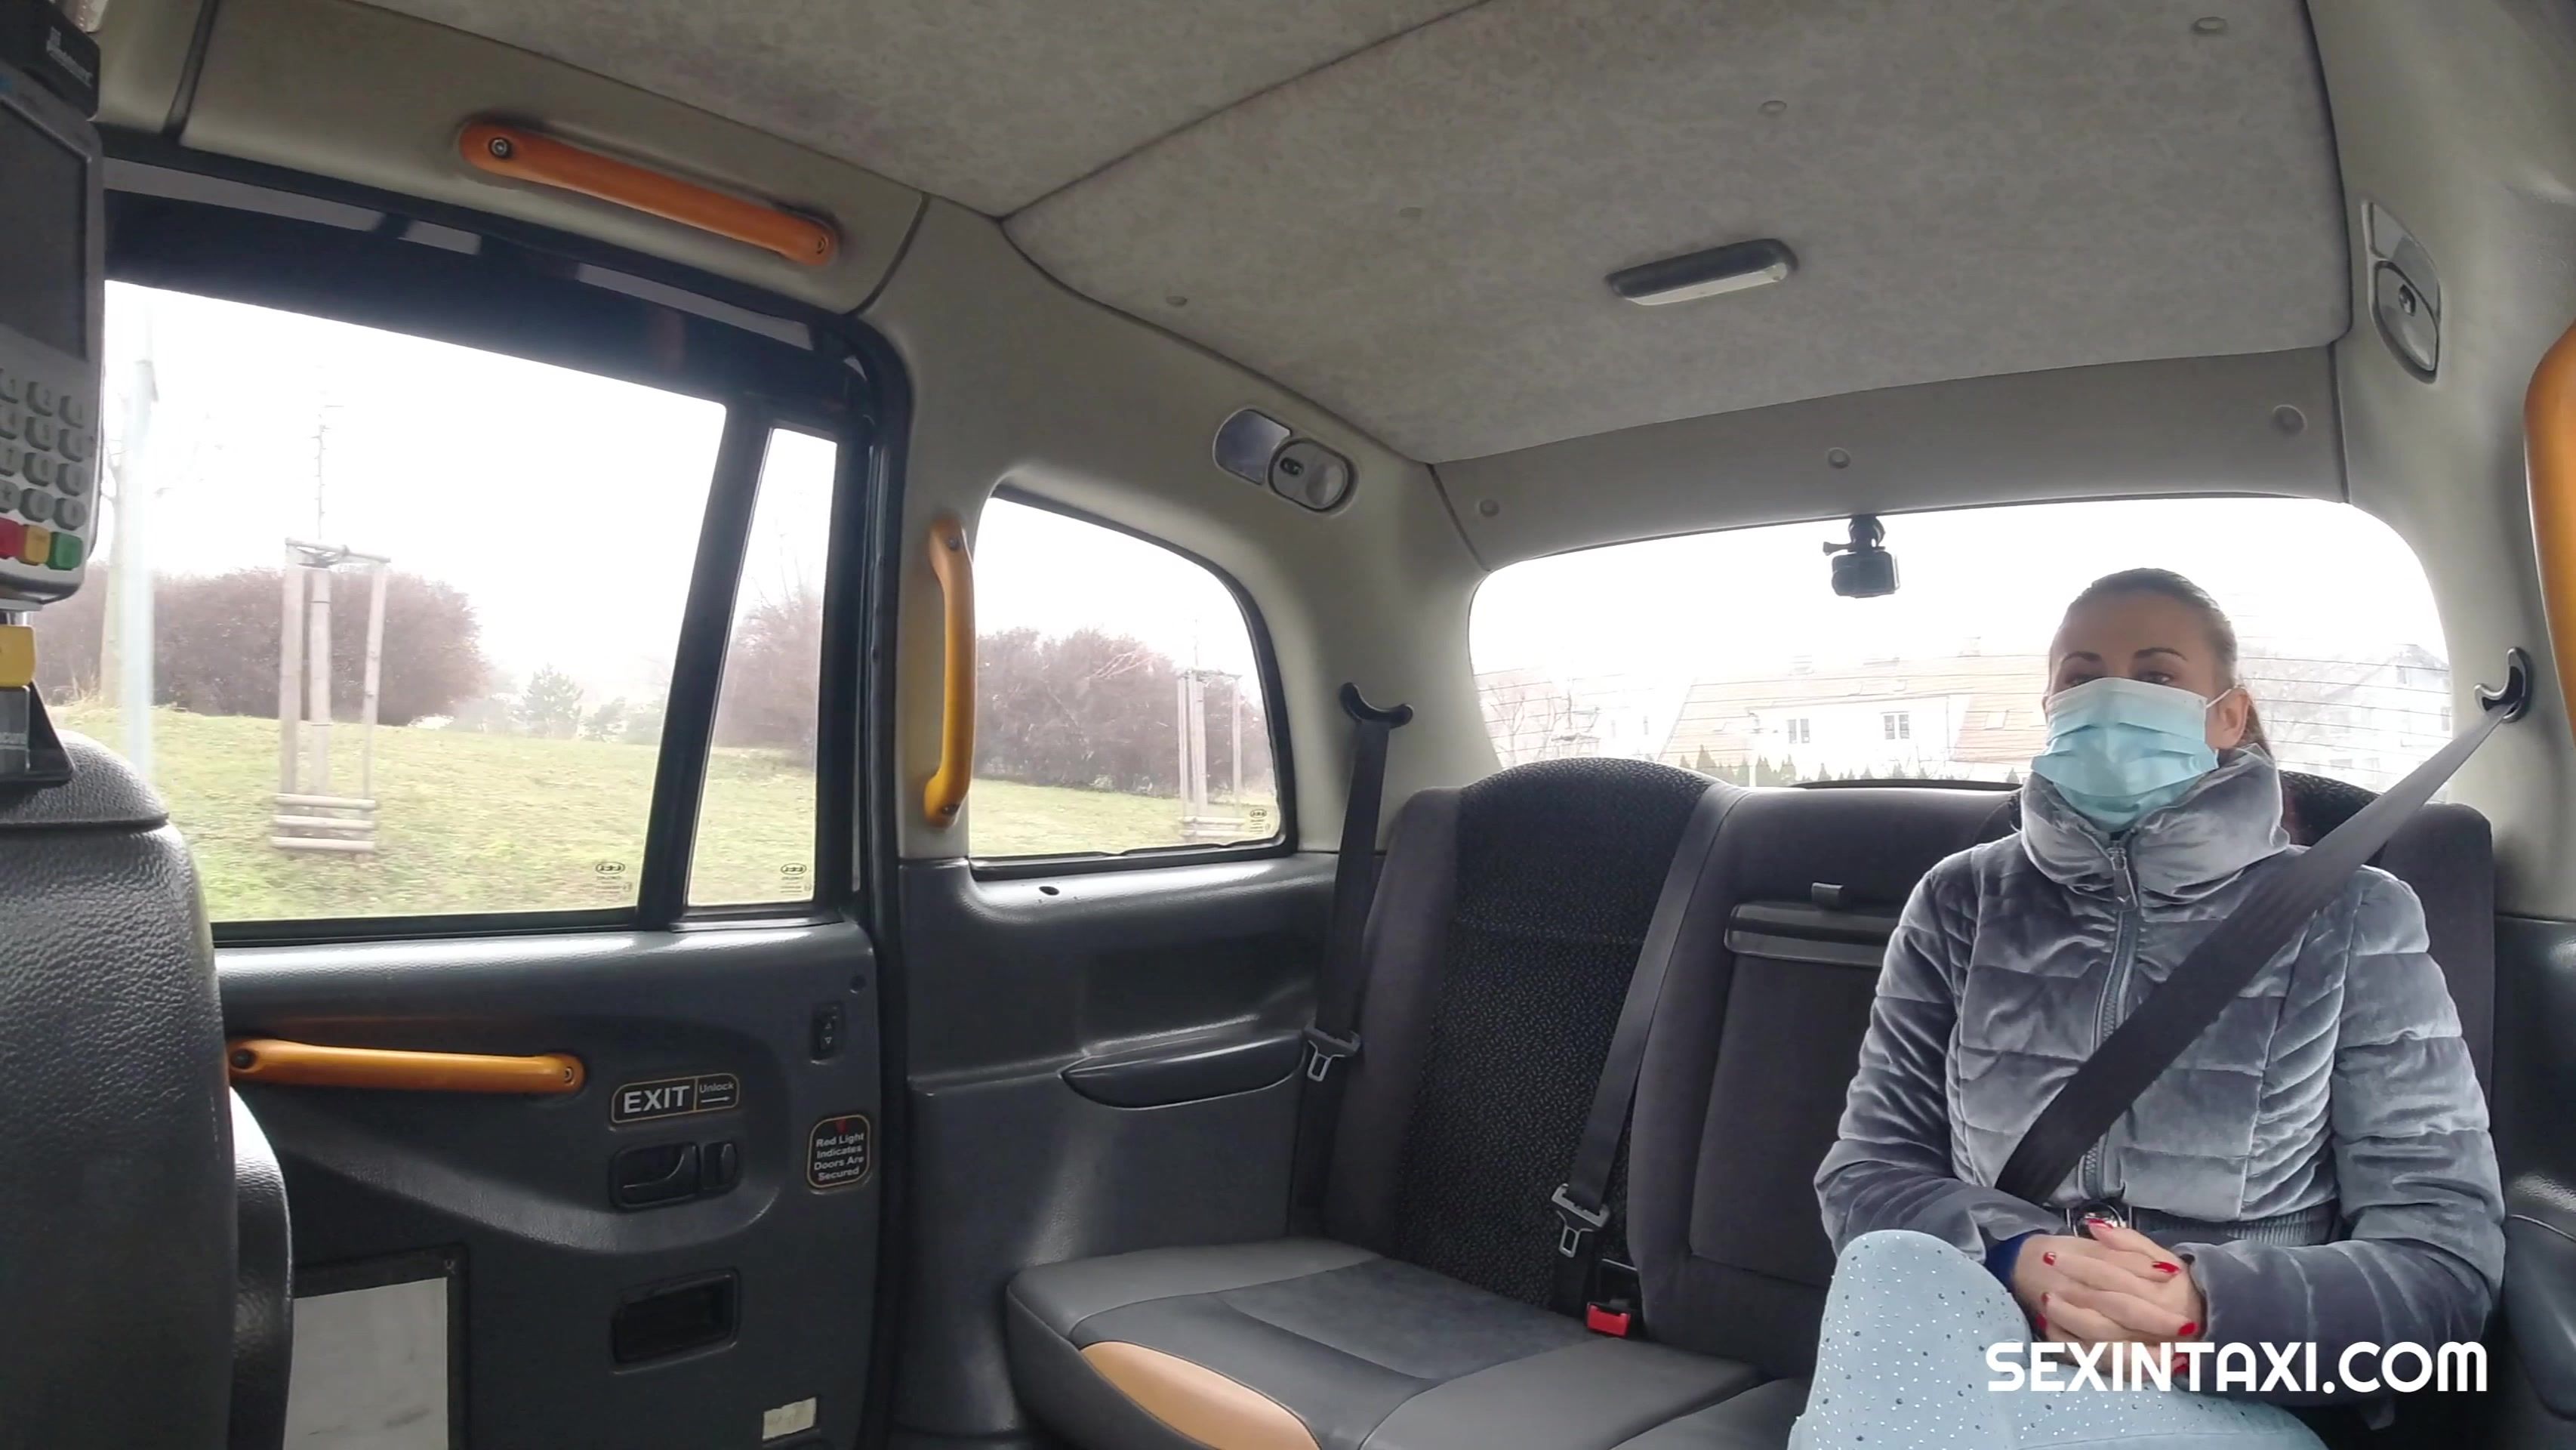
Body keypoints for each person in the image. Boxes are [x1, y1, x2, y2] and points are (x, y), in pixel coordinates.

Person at [1795, 568, 2505, 1450]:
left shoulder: (2353, 915)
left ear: (2228, 716)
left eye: (2157, 674)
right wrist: (2020, 1258)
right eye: (2082, 676)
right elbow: (1868, 1174)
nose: (2113, 698)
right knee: (1888, 1265)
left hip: (2233, 1391)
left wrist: (2201, 1312)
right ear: (2050, 707)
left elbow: (2442, 1262)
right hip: (1988, 1343)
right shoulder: (1960, 901)